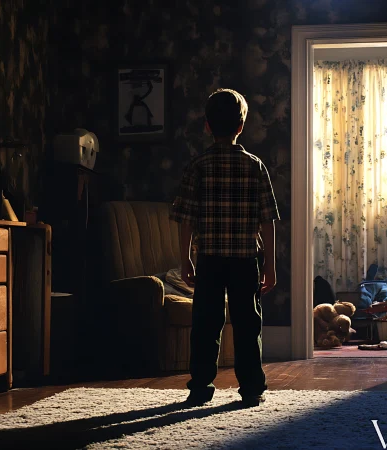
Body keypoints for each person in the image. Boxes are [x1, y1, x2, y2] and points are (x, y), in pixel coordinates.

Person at [170, 88, 280, 408]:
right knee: (248, 324)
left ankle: (201, 385)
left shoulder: (198, 166)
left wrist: (186, 259)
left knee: (205, 323)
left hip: (210, 259)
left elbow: (186, 219)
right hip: (246, 259)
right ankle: (251, 387)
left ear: (207, 126)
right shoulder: (255, 166)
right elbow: (268, 220)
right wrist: (270, 265)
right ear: (241, 126)